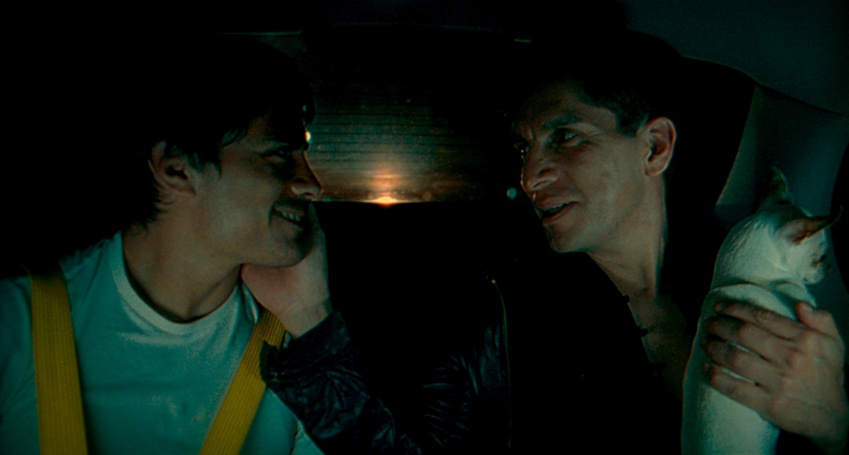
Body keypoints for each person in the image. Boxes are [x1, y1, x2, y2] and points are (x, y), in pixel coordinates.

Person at [252, 28, 849, 454]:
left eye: (566, 138)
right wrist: (311, 325)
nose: (531, 174)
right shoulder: (494, 314)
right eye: (525, 147)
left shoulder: (757, 282)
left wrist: (833, 423)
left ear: (654, 147)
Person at [0, 34, 325, 454]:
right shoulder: (13, 323)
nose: (311, 184)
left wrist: (313, 318)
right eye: (280, 155)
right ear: (177, 169)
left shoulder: (298, 348)